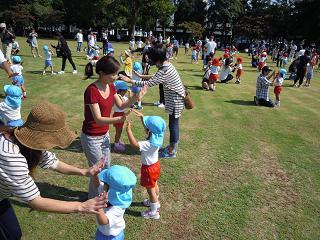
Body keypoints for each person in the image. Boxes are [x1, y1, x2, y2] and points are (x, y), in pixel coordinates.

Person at [0, 101, 108, 240]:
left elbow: (53, 163)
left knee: (13, 234)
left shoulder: (28, 142)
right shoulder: (11, 158)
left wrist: (84, 172)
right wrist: (81, 206)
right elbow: (36, 202)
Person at [82, 56, 139, 198]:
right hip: (91, 137)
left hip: (104, 135)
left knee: (106, 166)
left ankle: (100, 195)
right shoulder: (92, 91)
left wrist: (134, 98)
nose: (116, 77)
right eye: (113, 74)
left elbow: (120, 105)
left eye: (117, 73)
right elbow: (98, 119)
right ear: (101, 72)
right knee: (97, 169)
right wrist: (118, 118)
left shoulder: (111, 86)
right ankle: (94, 198)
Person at [120, 45, 185, 158]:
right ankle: (171, 147)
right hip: (175, 99)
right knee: (173, 124)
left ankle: (172, 151)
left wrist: (131, 80)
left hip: (175, 101)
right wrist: (141, 75)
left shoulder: (164, 70)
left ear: (157, 58)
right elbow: (156, 76)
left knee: (173, 125)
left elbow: (148, 83)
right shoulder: (167, 65)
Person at [126, 113, 166, 219]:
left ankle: (154, 212)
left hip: (148, 169)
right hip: (155, 166)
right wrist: (142, 118)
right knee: (154, 185)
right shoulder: (158, 136)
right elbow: (149, 129)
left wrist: (128, 131)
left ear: (149, 131)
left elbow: (134, 144)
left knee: (150, 190)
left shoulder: (148, 144)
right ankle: (155, 202)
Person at [92, 165, 136, 240]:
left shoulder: (118, 208)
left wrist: (98, 206)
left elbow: (103, 221)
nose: (102, 183)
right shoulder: (111, 192)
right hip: (101, 231)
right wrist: (95, 175)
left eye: (104, 183)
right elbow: (97, 185)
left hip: (113, 237)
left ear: (110, 188)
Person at [112, 81, 129, 152]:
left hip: (121, 114)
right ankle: (116, 145)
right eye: (124, 91)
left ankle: (117, 141)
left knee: (120, 130)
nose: (125, 92)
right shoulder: (117, 98)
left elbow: (128, 101)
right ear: (119, 90)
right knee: (118, 131)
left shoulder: (123, 97)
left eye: (126, 90)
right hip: (118, 115)